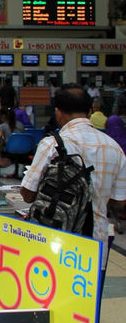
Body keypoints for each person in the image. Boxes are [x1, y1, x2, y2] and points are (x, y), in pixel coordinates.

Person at [21, 85, 126, 273]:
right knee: (88, 301)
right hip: (95, 245)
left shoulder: (51, 144)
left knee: (46, 298)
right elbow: (120, 201)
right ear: (91, 111)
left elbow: (27, 195)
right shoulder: (114, 148)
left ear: (58, 112)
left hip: (52, 243)